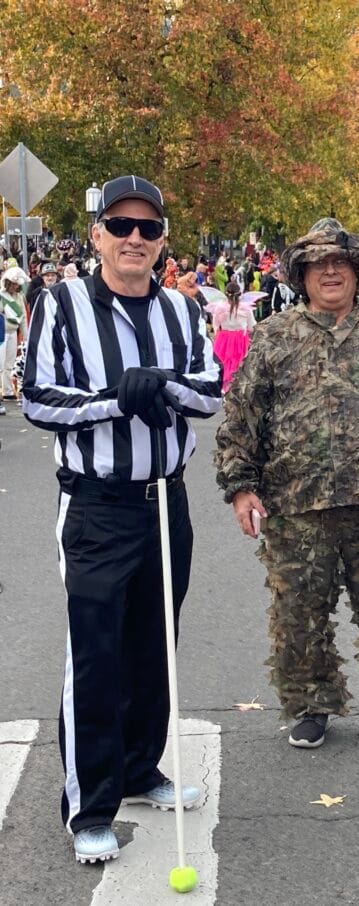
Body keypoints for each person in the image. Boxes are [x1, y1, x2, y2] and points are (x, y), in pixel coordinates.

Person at [20, 175, 222, 864]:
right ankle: (90, 803)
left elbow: (210, 391)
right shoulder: (60, 303)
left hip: (167, 497)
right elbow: (39, 401)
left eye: (149, 228)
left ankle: (140, 769)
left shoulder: (180, 310)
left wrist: (160, 385)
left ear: (164, 239)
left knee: (153, 645)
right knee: (97, 653)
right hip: (98, 504)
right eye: (121, 225)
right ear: (98, 234)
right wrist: (116, 400)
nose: (135, 238)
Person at [215, 218, 359, 751]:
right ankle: (311, 703)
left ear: (358, 273)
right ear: (303, 276)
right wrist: (241, 487)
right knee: (298, 613)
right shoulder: (273, 336)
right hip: (295, 501)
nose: (330, 271)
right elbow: (241, 416)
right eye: (318, 264)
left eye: (341, 263)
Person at [207, 279, 257, 392]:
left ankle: (224, 388)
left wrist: (218, 335)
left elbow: (215, 325)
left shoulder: (219, 308)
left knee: (223, 363)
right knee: (238, 364)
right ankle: (236, 388)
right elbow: (252, 326)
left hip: (223, 339)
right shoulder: (246, 309)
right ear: (240, 294)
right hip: (240, 340)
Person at [1, 266, 28, 399]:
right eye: (13, 284)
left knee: (10, 363)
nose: (15, 286)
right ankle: (4, 389)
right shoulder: (1, 296)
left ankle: (8, 391)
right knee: (1, 363)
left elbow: (22, 317)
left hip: (12, 332)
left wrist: (26, 336)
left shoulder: (19, 296)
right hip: (1, 333)